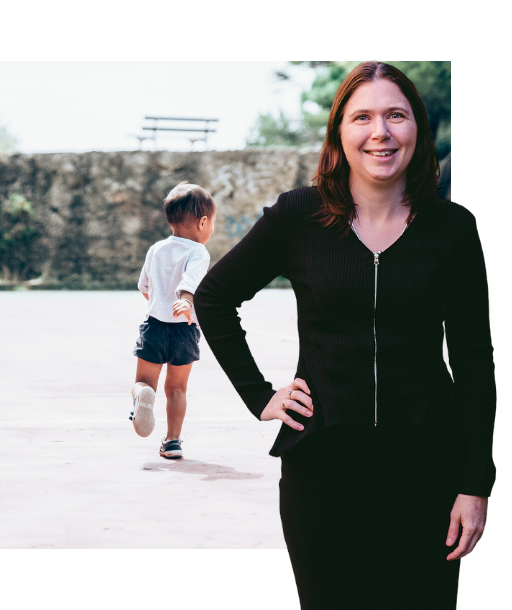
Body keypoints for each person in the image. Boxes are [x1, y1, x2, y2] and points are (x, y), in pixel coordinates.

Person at [194, 62, 495, 609]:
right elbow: (213, 297)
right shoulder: (299, 216)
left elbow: (474, 360)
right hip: (323, 473)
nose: (380, 132)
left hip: (427, 470)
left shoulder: (453, 229)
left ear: (417, 129)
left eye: (396, 115)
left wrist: (476, 482)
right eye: (362, 117)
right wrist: (260, 396)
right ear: (339, 132)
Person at [130, 182, 215, 459]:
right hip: (185, 330)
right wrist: (186, 301)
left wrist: (161, 304)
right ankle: (172, 442)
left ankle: (142, 396)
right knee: (177, 388)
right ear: (203, 222)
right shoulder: (198, 252)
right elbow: (191, 281)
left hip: (155, 326)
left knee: (144, 381)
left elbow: (144, 287)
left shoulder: (156, 249)